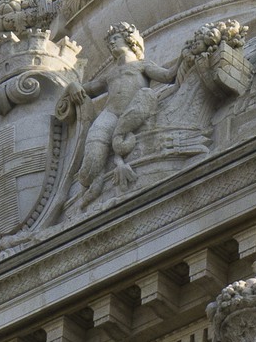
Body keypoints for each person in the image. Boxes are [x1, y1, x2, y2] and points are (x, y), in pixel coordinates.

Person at [72, 23, 179, 206]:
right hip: (110, 113)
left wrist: (184, 56)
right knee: (91, 157)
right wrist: (72, 86)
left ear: (130, 40)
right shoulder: (110, 74)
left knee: (147, 95)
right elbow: (88, 89)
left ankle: (105, 177)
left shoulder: (142, 65)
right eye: (110, 41)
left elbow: (168, 76)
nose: (112, 43)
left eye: (116, 38)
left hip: (133, 109)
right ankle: (94, 184)